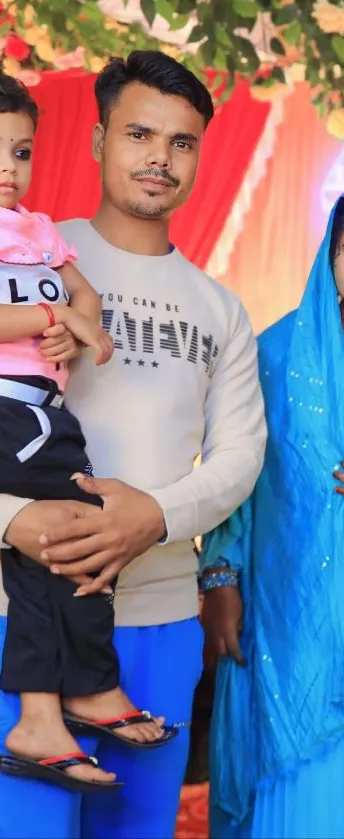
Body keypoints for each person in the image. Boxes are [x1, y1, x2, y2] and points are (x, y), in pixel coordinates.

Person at [0, 51, 267, 839]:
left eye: (181, 142)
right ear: (96, 140)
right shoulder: (26, 256)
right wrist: (10, 516)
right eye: (139, 133)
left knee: (139, 829)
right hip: (22, 608)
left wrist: (150, 513)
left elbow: (239, 455)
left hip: (157, 617)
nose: (159, 157)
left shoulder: (220, 308)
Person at [202, 185, 344, 839]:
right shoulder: (277, 353)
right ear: (328, 254)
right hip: (297, 607)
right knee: (301, 757)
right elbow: (241, 472)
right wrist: (220, 578)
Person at [0, 73, 173, 795]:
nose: (9, 169)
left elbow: (83, 292)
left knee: (66, 539)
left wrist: (85, 323)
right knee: (79, 523)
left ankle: (50, 710)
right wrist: (53, 321)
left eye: (21, 152)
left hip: (45, 410)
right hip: (7, 408)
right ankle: (80, 693)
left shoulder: (39, 230)